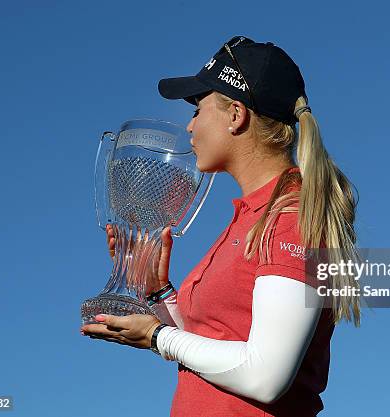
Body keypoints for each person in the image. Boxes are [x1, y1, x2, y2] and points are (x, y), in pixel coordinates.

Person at [81, 35, 361, 417]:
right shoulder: (251, 215)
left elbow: (267, 375)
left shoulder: (291, 216)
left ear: (235, 115)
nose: (191, 127)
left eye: (198, 109)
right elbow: (216, 339)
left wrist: (156, 337)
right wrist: (158, 294)